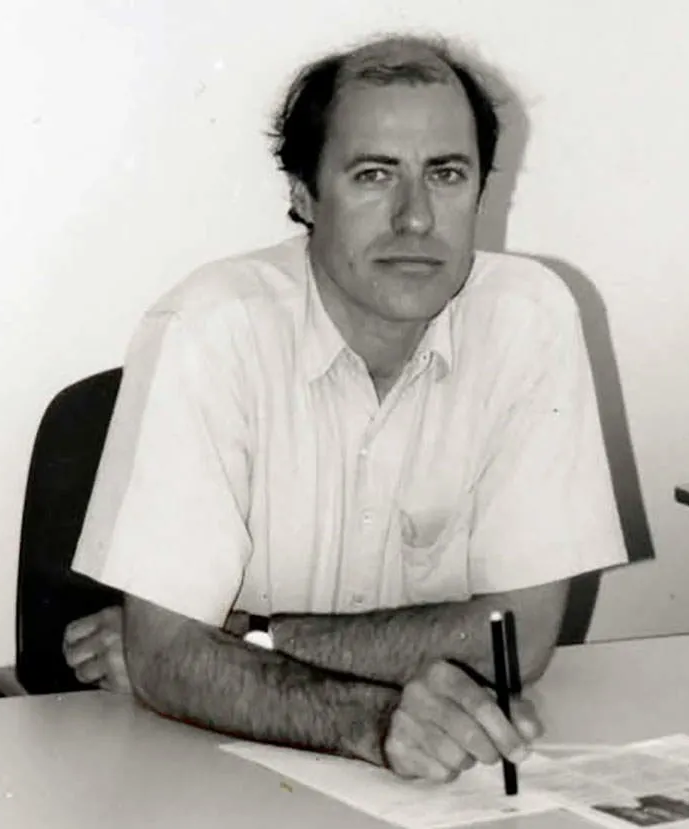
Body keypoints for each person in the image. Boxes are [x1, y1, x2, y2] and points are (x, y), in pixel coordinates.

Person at [65, 32, 628, 783]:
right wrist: (374, 721)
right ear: (304, 195)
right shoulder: (209, 329)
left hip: (440, 775)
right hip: (212, 773)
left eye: (447, 174)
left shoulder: (529, 319)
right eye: (373, 175)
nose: (416, 218)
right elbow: (169, 658)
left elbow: (515, 640)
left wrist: (249, 638)